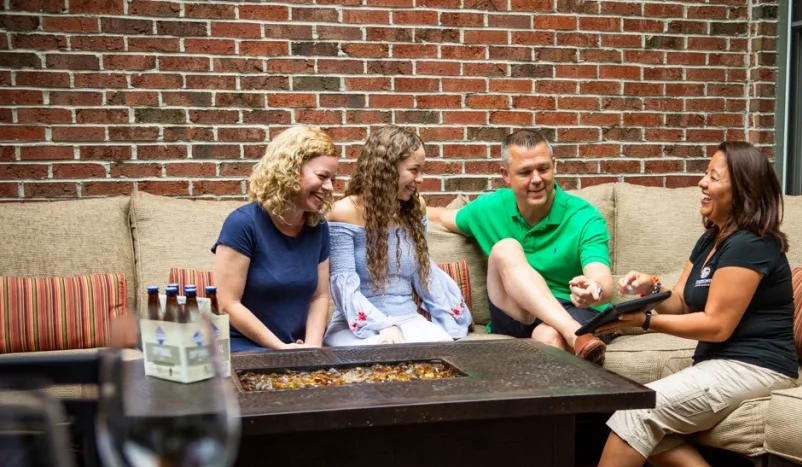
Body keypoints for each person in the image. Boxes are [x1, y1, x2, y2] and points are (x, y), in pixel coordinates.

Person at [574, 141, 798, 467]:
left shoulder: (751, 245)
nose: (701, 182)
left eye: (713, 177)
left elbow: (716, 326)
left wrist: (643, 321)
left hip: (758, 366)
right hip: (721, 363)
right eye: (705, 174)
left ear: (743, 190)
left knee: (637, 411)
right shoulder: (713, 238)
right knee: (646, 414)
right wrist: (652, 287)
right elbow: (679, 301)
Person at [427, 129, 611, 363]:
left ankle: (567, 339)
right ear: (506, 175)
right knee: (505, 247)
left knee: (547, 335)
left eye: (543, 169)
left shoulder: (584, 217)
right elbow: (440, 217)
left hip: (577, 310)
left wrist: (593, 289)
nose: (536, 179)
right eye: (525, 172)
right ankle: (574, 335)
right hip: (518, 313)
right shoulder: (490, 208)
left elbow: (602, 280)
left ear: (554, 165)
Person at [323, 127, 471, 346]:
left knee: (442, 351)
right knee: (380, 353)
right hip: (355, 327)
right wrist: (384, 326)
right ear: (388, 169)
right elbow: (343, 286)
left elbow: (425, 271)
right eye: (414, 170)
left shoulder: (413, 209)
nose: (420, 179)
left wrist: (451, 317)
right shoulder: (343, 213)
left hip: (409, 320)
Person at [212, 126, 338, 352]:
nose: (329, 187)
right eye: (322, 176)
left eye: (333, 179)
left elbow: (319, 296)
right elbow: (227, 304)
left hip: (297, 348)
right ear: (289, 170)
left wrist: (312, 348)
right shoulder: (243, 224)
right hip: (243, 347)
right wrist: (280, 348)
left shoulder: (318, 226)